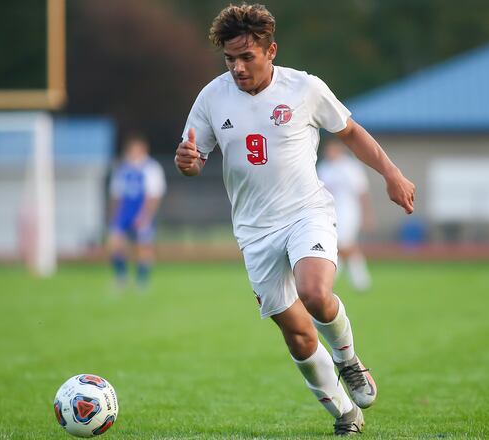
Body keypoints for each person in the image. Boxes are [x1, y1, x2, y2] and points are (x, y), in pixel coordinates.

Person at [174, 4, 415, 435]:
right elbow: (193, 160)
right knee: (298, 336)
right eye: (230, 59)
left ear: (271, 51)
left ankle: (348, 360)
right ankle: (345, 414)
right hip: (253, 231)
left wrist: (391, 174)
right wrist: (187, 161)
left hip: (307, 212)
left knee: (315, 292)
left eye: (247, 57)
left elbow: (351, 131)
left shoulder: (304, 88)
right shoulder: (212, 98)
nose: (238, 68)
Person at [108, 133, 166, 291]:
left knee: (143, 247)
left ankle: (142, 281)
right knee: (115, 243)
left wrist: (146, 215)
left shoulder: (151, 168)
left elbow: (154, 195)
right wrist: (115, 216)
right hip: (124, 212)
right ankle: (121, 278)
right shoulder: (122, 168)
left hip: (141, 211)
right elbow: (116, 194)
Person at [317, 139, 375, 292]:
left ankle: (334, 279)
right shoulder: (323, 168)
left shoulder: (350, 167)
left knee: (343, 244)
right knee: (339, 245)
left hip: (349, 211)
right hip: (330, 213)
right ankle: (360, 280)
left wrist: (366, 214)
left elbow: (362, 192)